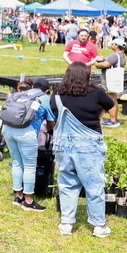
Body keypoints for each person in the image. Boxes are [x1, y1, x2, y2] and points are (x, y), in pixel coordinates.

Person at [50, 62, 114, 238]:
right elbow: (110, 104)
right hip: (88, 145)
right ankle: (99, 226)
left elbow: (55, 114)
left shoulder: (57, 93)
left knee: (67, 184)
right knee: (94, 184)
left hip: (63, 145)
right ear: (87, 75)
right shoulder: (96, 92)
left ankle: (66, 224)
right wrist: (99, 114)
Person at [0, 79, 52, 213]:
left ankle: (18, 196)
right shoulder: (45, 98)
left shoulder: (19, 94)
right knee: (29, 166)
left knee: (17, 163)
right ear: (47, 90)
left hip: (7, 129)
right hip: (26, 132)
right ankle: (28, 201)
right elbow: (51, 122)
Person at [95, 39, 127, 128]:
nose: (111, 45)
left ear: (117, 45)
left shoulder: (114, 56)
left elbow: (105, 65)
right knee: (114, 99)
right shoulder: (122, 55)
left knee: (111, 100)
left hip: (110, 79)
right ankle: (114, 119)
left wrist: (96, 64)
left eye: (113, 44)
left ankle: (113, 121)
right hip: (116, 79)